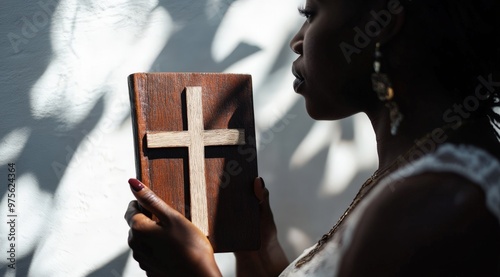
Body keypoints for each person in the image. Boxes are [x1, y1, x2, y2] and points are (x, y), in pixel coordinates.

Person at [124, 0, 500, 275]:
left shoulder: (437, 205)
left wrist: (191, 272)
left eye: (311, 15)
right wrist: (258, 253)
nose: (297, 41)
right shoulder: (414, 173)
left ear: (383, 23)